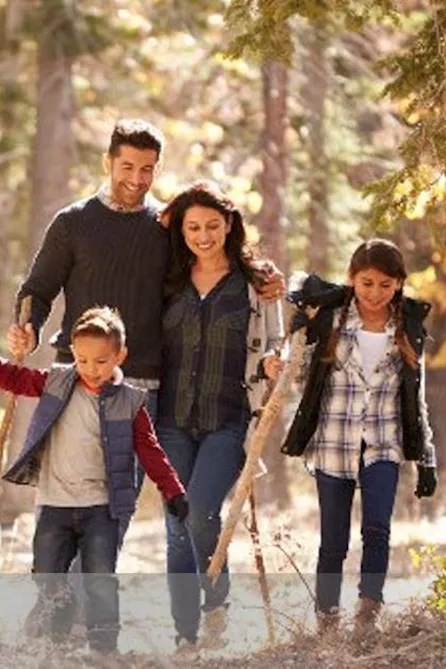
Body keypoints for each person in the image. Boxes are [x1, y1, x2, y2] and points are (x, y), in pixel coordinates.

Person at [8, 119, 286, 633]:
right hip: (77, 382)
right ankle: (55, 602)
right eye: (128, 167)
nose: (137, 178)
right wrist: (25, 324)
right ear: (108, 162)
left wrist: (266, 278)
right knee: (70, 498)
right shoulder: (73, 222)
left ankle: (89, 612)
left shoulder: (165, 227)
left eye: (148, 169)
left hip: (144, 391)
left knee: (116, 506)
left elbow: (217, 261)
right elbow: (38, 288)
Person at [0, 306, 190, 655]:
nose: (91, 370)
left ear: (120, 356)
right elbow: (12, 378)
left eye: (101, 361)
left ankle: (104, 648)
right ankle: (58, 628)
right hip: (54, 505)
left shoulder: (130, 402)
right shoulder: (57, 382)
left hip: (101, 509)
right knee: (47, 575)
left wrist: (172, 490)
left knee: (100, 581)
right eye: (82, 360)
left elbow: (150, 450)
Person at [278, 238, 439, 639]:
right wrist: (295, 337)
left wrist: (426, 458)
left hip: (383, 444)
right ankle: (327, 619)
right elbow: (297, 374)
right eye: (367, 283)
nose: (375, 293)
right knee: (333, 538)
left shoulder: (408, 329)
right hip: (333, 443)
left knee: (377, 530)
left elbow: (416, 396)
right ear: (352, 279)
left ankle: (368, 612)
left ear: (399, 284)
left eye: (386, 285)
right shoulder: (330, 319)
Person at [153, 181, 290, 650]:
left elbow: (277, 340)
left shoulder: (255, 285)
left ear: (229, 225)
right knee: (176, 525)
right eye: (193, 226)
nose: (203, 235)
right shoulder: (168, 280)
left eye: (212, 225)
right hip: (169, 420)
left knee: (200, 513)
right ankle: (185, 635)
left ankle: (215, 603)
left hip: (229, 420)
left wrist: (275, 361)